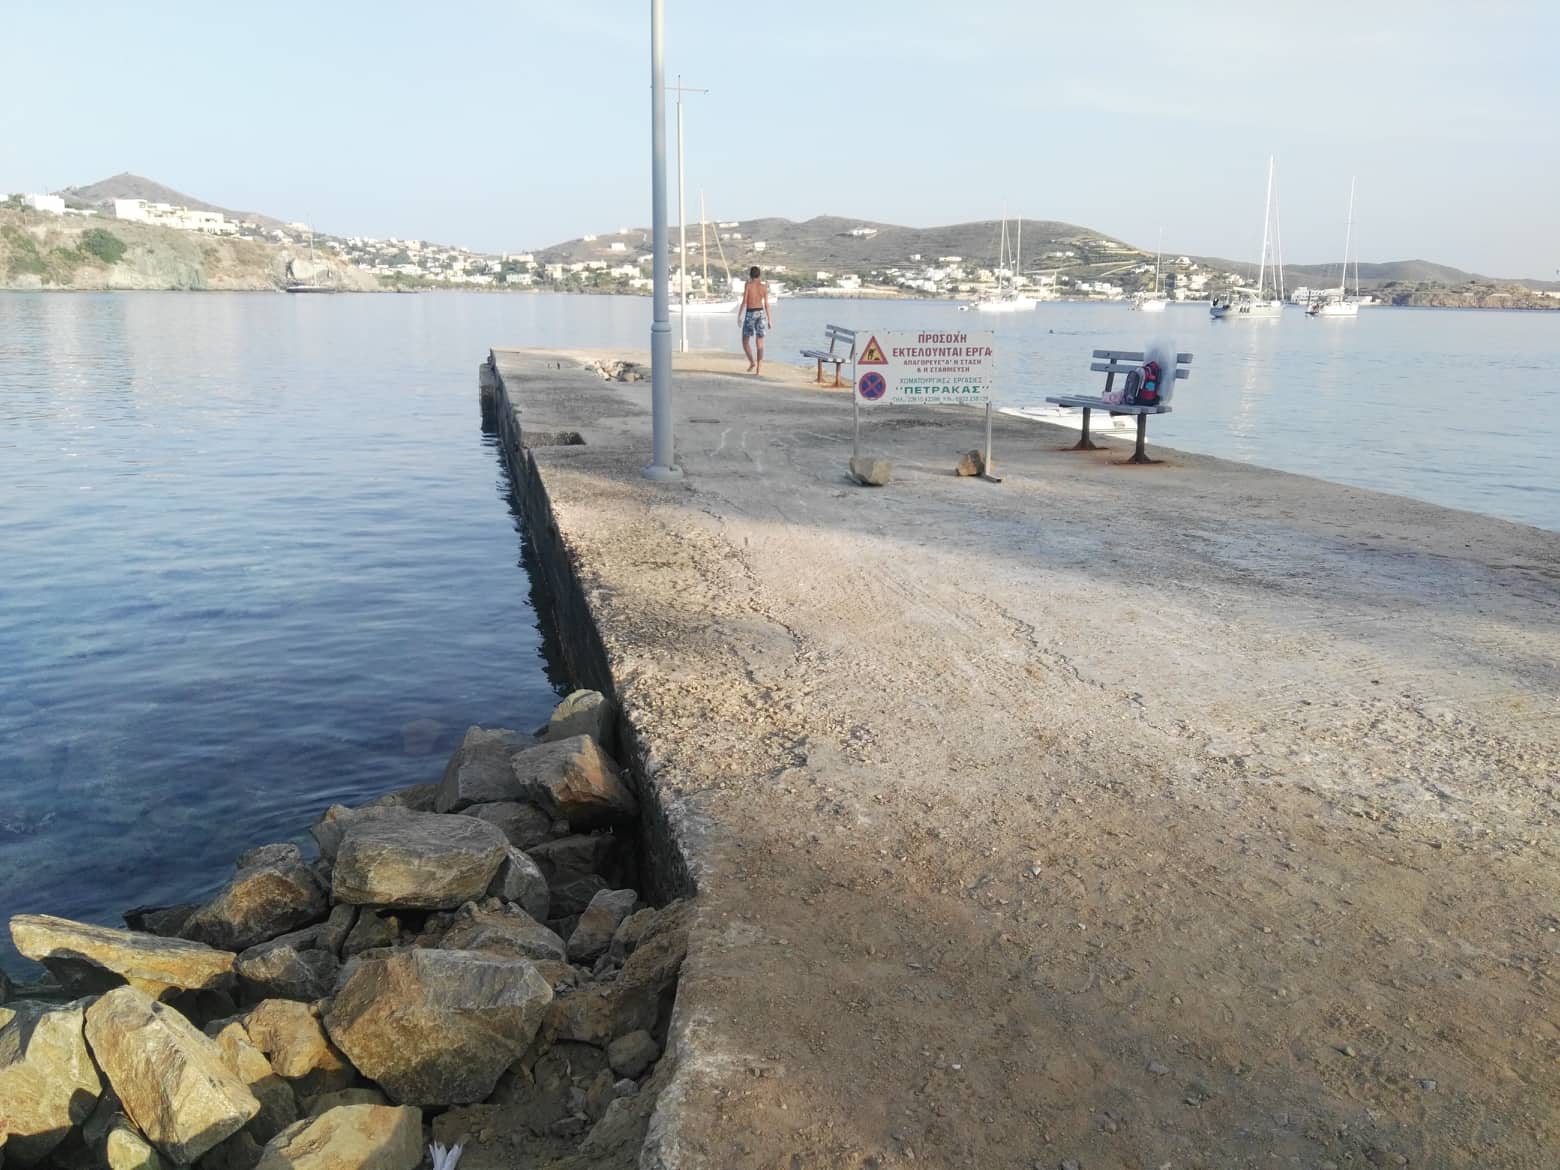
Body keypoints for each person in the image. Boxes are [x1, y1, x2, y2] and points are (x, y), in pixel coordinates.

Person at [738, 266, 772, 374]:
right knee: (760, 342)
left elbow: (744, 301)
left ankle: (752, 362)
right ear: (759, 275)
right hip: (761, 314)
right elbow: (766, 304)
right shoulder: (764, 287)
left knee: (745, 341)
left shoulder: (748, 285)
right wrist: (770, 320)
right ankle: (759, 369)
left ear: (750, 275)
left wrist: (739, 315)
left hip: (750, 313)